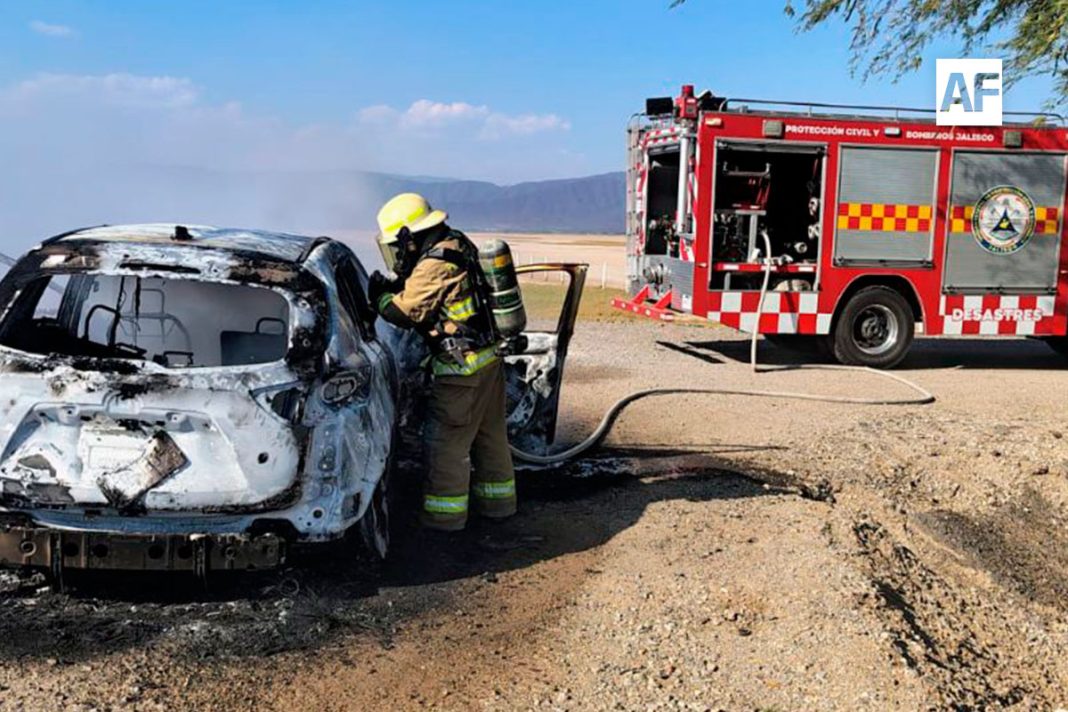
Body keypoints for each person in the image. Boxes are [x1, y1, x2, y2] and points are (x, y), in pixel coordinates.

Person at [368, 193, 516, 532]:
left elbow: (405, 312)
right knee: (490, 438)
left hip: (459, 369)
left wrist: (379, 297)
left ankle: (443, 521)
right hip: (488, 362)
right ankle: (500, 508)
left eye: (397, 244)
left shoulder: (435, 263)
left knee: (447, 446)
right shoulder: (456, 242)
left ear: (408, 237)